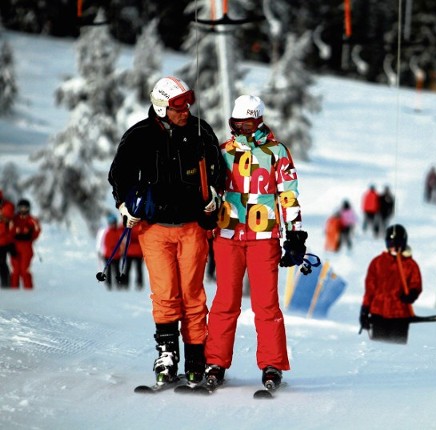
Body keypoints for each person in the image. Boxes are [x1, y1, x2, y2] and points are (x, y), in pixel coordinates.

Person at [108, 76, 225, 387]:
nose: (185, 110)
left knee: (193, 295)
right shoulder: (139, 136)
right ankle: (167, 354)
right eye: (178, 106)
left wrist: (215, 193)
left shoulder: (201, 131)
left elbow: (218, 171)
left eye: (187, 104)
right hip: (154, 229)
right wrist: (124, 204)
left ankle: (196, 357)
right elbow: (119, 174)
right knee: (165, 294)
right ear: (161, 107)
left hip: (193, 227)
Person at [204, 95, 307, 391]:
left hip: (264, 237)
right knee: (225, 301)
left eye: (248, 123)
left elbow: (288, 194)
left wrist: (295, 234)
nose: (243, 129)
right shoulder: (224, 151)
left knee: (266, 304)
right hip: (228, 235)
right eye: (238, 123)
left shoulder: (277, 152)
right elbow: (211, 190)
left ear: (259, 121)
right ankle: (216, 361)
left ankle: (272, 364)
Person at [359, 224, 422, 344]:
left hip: (400, 315)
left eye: (398, 243)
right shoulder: (377, 263)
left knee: (396, 351)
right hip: (378, 314)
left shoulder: (410, 265)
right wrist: (364, 311)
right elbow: (370, 289)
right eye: (390, 243)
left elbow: (416, 283)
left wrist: (412, 294)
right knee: (379, 348)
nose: (394, 247)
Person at [9, 199, 41, 289]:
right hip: (15, 246)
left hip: (26, 247)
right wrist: (10, 245)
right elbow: (9, 231)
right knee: (15, 271)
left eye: (25, 208)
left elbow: (37, 230)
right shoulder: (14, 219)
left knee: (24, 270)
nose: (23, 210)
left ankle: (28, 291)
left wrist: (31, 236)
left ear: (28, 208)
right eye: (21, 208)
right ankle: (13, 291)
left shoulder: (32, 220)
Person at [96, 213, 124, 289]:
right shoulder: (107, 233)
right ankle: (109, 284)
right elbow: (105, 243)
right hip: (108, 255)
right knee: (109, 271)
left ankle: (118, 283)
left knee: (116, 270)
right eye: (112, 223)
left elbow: (121, 242)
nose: (113, 225)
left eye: (114, 223)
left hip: (117, 256)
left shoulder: (118, 232)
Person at [122, 223, 144, 290]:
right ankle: (139, 284)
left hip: (131, 251)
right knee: (138, 269)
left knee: (128, 269)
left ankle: (125, 283)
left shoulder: (129, 225)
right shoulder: (141, 226)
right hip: (138, 251)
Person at [0, 190, 15, 287]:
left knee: (1, 263)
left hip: (3, 241)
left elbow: (7, 218)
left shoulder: (8, 206)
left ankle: (6, 284)